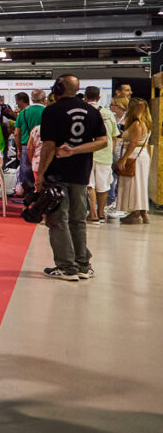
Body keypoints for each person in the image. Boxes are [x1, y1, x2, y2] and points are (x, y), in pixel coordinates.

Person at [36, 75, 107, 281]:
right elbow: (103, 141)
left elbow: (49, 146)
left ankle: (67, 267)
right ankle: (83, 264)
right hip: (81, 173)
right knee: (78, 220)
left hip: (57, 174)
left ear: (58, 88)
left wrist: (40, 174)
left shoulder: (52, 111)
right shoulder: (92, 111)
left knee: (58, 220)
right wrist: (75, 151)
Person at [83, 86, 118, 223]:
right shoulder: (108, 113)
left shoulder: (84, 112)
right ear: (99, 98)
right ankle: (101, 213)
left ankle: (93, 214)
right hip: (105, 154)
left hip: (87, 152)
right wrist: (111, 152)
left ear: (85, 97)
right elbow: (114, 136)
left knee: (89, 184)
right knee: (103, 185)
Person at [115, 97, 152, 225]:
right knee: (140, 184)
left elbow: (134, 142)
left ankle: (135, 213)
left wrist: (124, 158)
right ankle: (143, 212)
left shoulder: (136, 124)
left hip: (134, 155)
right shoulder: (146, 123)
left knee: (133, 184)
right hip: (142, 156)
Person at [13, 89, 45, 195]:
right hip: (43, 147)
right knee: (42, 172)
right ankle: (41, 196)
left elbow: (16, 133)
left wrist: (18, 150)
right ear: (44, 99)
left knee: (26, 174)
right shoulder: (48, 111)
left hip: (25, 146)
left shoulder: (23, 113)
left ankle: (27, 196)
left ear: (32, 99)